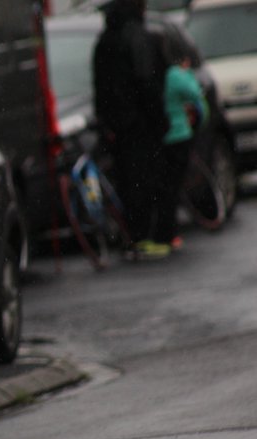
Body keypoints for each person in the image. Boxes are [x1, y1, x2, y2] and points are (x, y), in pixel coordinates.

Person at [92, 0, 171, 259]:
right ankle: (146, 235)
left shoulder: (105, 42)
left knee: (128, 181)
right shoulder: (138, 37)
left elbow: (101, 89)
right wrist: (159, 119)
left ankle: (134, 235)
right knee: (146, 180)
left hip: (118, 127)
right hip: (140, 125)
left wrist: (107, 122)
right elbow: (146, 81)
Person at [152, 53, 209, 251]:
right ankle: (169, 233)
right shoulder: (176, 75)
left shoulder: (154, 74)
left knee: (164, 185)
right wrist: (189, 75)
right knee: (173, 186)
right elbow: (195, 92)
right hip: (179, 133)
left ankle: (163, 231)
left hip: (160, 136)